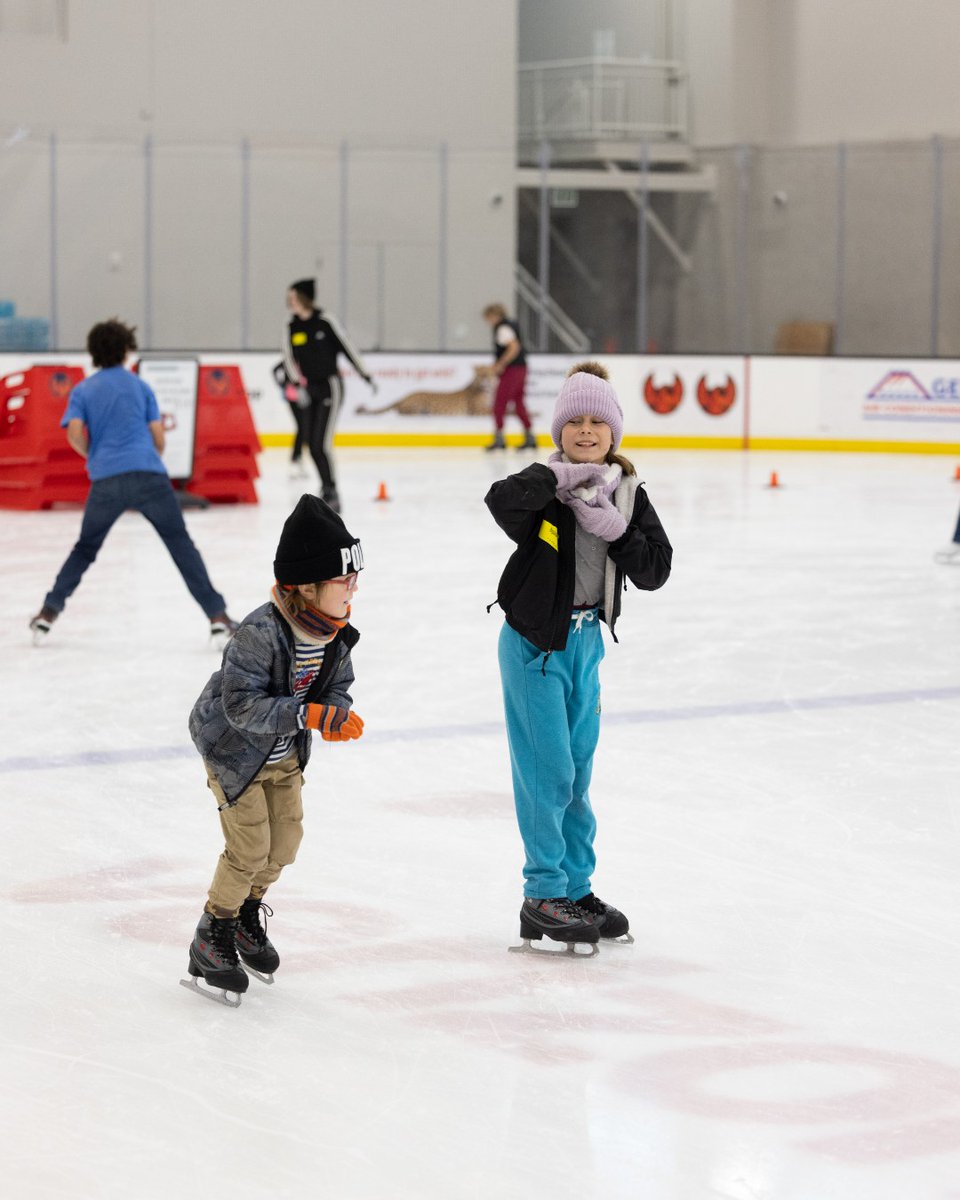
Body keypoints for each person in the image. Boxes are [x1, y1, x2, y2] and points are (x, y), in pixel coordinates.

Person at [485, 361, 673, 952]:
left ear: (614, 431)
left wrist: (616, 528)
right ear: (559, 430)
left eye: (597, 421)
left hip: (585, 645)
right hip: (536, 646)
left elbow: (656, 569)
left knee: (578, 773)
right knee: (549, 772)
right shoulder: (544, 491)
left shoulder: (628, 494)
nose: (586, 431)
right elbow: (500, 502)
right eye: (574, 421)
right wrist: (555, 478)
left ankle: (576, 888)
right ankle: (543, 892)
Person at [182, 494, 365, 1005]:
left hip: (284, 756)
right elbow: (241, 707)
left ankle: (245, 915)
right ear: (305, 586)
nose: (354, 587)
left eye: (355, 577)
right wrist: (309, 715)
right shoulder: (258, 634)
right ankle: (212, 932)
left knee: (284, 846)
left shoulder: (335, 636)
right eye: (344, 579)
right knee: (248, 850)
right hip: (234, 755)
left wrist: (334, 712)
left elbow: (338, 685)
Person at [28, 318, 237, 647]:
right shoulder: (140, 387)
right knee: (180, 544)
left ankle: (48, 612)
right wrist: (150, 457)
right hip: (148, 474)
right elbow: (158, 436)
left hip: (106, 479)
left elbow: (74, 432)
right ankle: (218, 617)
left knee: (85, 549)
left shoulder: (83, 390)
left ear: (94, 352)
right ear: (126, 350)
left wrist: (94, 455)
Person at [282, 278, 377, 512]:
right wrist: (297, 384)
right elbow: (288, 357)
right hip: (308, 388)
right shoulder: (291, 326)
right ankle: (326, 487)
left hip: (330, 386)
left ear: (304, 298)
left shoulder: (325, 321)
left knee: (321, 442)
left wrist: (365, 374)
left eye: (294, 297)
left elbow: (347, 348)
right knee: (310, 442)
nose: (290, 302)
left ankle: (331, 490)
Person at [481, 302, 536, 452]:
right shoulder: (510, 325)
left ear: (494, 315)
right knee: (518, 403)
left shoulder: (503, 328)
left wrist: (500, 364)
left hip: (512, 370)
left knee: (500, 402)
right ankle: (530, 437)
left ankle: (499, 438)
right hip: (521, 368)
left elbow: (513, 347)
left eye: (488, 318)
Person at [272, 358, 309, 479]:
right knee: (302, 427)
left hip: (306, 395)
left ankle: (297, 457)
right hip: (293, 396)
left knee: (304, 428)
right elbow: (275, 369)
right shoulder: (290, 359)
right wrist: (283, 384)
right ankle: (296, 457)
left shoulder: (305, 358)